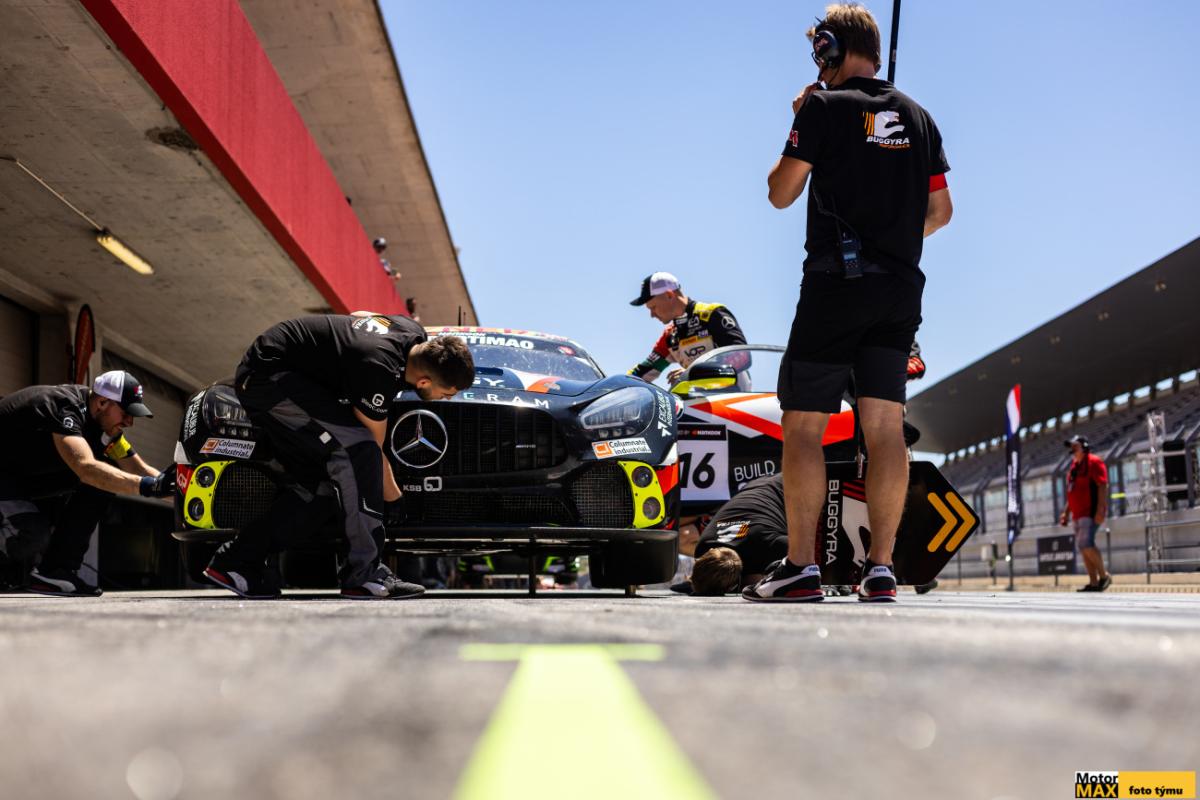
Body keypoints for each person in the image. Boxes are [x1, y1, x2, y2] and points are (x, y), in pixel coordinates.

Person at [745, 3, 952, 603]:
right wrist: (892, 237)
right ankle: (881, 570)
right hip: (899, 290)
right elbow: (940, 213)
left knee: (804, 426)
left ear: (829, 50)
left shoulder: (822, 106)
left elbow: (780, 192)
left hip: (836, 285)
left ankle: (800, 567)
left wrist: (800, 118)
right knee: (884, 427)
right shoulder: (920, 116)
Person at [203, 313, 475, 600]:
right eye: (446, 394)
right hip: (268, 377)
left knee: (318, 489)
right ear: (423, 382)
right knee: (358, 453)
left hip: (294, 377)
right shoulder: (377, 368)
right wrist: (395, 498)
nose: (446, 399)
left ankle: (237, 561)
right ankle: (364, 576)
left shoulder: (412, 332)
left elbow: (358, 316)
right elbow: (371, 448)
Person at [0, 371, 175, 596]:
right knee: (32, 534)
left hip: (18, 479)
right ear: (103, 402)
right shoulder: (65, 407)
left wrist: (183, 497)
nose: (129, 422)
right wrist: (148, 487)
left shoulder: (106, 431)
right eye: (126, 413)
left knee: (104, 480)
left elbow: (138, 469)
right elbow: (85, 468)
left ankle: (55, 571)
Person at [628, 272, 748, 386]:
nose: (652, 315)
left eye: (653, 307)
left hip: (737, 397)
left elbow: (742, 355)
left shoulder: (710, 314)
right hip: (700, 398)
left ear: (669, 295)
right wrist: (620, 383)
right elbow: (644, 371)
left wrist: (693, 373)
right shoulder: (670, 336)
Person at [679, 474, 790, 595]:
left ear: (732, 587)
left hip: (790, 488)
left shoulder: (770, 545)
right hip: (757, 486)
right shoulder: (703, 547)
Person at [1059, 435, 1111, 592]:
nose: (1072, 450)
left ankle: (1104, 576)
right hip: (1077, 514)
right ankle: (1093, 582)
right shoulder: (1074, 467)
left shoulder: (1094, 462)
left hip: (1090, 512)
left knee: (1086, 544)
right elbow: (1072, 492)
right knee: (1083, 547)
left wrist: (1101, 509)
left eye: (1075, 446)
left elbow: (1102, 485)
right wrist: (1066, 512)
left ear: (1084, 447)